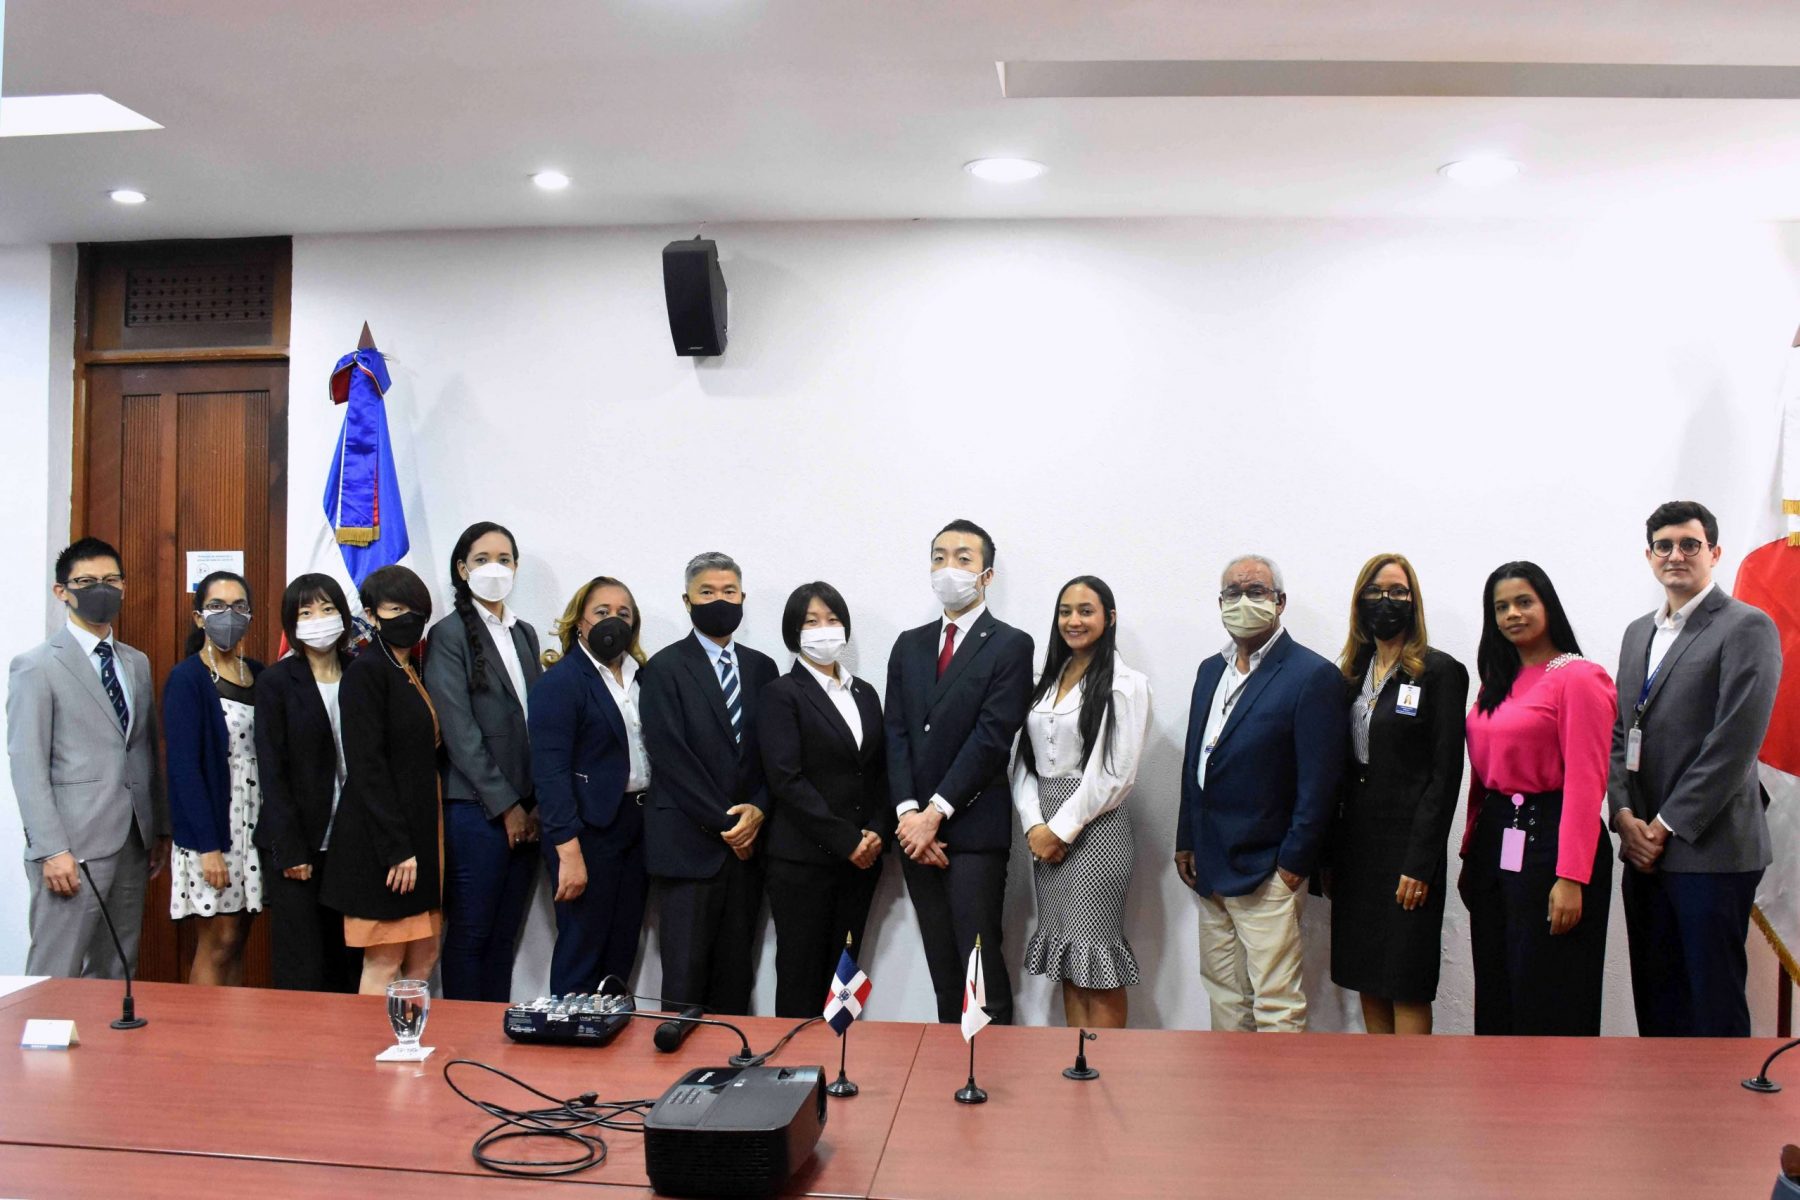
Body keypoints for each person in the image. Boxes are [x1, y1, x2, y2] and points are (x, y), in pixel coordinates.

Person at [1607, 501, 1781, 1037]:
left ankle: (1725, 1120)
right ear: (1649, 556)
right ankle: (1665, 1118)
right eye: (1664, 545)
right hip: (1643, 850)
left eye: (1690, 544)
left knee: (1713, 1006)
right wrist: (1625, 815)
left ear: (1715, 553)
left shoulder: (1747, 626)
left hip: (1711, 850)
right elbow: (1619, 735)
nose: (1676, 555)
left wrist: (1663, 826)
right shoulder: (1639, 632)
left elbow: (1733, 745)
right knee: (1658, 1003)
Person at [1175, 554, 1345, 1034]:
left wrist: (1294, 864)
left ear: (1280, 602)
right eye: (1233, 592)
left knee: (1275, 1003)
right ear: (1220, 602)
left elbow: (1320, 783)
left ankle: (1276, 1106)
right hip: (1209, 861)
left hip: (1270, 868)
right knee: (1224, 994)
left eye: (1256, 591)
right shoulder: (1211, 670)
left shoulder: (1311, 676)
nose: (1243, 601)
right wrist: (1185, 837)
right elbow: (1197, 759)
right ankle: (1232, 1102)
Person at [886, 519, 1033, 1027]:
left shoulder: (1011, 644)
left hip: (971, 831)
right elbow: (897, 732)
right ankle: (953, 1079)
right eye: (940, 556)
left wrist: (936, 813)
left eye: (964, 558)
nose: (951, 568)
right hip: (914, 837)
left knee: (979, 966)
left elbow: (992, 739)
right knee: (944, 971)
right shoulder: (909, 644)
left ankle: (994, 1080)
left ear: (986, 575)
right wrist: (910, 816)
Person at [1460, 561, 1616, 1036]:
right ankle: (1499, 1104)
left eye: (1524, 601)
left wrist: (1571, 876)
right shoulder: (1495, 681)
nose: (1513, 614)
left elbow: (1588, 783)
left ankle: (1554, 1105)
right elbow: (1483, 776)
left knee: (1549, 986)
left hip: (1554, 840)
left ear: (1547, 604)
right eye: (1501, 606)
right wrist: (1471, 852)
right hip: (1498, 840)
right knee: (1497, 983)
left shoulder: (1579, 677)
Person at [7, 537, 168, 979]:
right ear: (62, 591)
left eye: (111, 579)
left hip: (133, 842)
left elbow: (145, 749)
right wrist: (50, 848)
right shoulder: (36, 666)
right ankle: (35, 1051)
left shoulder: (136, 663)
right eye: (87, 581)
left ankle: (105, 1050)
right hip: (71, 848)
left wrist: (157, 830)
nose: (102, 588)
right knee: (55, 968)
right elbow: (27, 764)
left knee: (117, 968)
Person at [1328, 554, 1469, 1035]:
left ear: (1414, 602)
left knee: (1405, 976)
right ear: (1358, 602)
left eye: (1397, 592)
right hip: (1357, 847)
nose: (1385, 602)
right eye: (1375, 592)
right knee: (1366, 972)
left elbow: (1445, 775)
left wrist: (1421, 862)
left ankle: (1410, 1098)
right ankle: (1377, 1092)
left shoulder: (1439, 672)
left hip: (1409, 846)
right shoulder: (1350, 673)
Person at [1010, 575, 1151, 1029]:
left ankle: (1105, 1070)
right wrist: (1034, 824)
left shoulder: (1127, 684)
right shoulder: (1042, 680)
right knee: (1070, 957)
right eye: (1065, 611)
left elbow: (1116, 773)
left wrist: (1060, 829)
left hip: (1096, 831)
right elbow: (1022, 761)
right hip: (1044, 835)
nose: (1074, 620)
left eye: (1086, 611)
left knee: (1097, 958)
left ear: (1109, 618)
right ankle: (1079, 1063)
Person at [640, 552, 778, 1015]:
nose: (719, 600)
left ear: (742, 599)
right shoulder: (662, 669)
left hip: (747, 850)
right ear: (687, 600)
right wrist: (727, 824)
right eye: (707, 592)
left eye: (729, 592)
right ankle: (676, 1084)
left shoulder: (763, 669)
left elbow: (772, 755)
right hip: (689, 847)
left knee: (736, 977)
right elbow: (671, 757)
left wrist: (757, 809)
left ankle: (733, 1077)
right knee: (684, 980)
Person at [758, 582, 890, 1019]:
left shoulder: (865, 693)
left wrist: (874, 832)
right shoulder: (782, 693)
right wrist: (846, 840)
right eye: (811, 622)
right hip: (802, 862)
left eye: (832, 620)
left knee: (846, 973)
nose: (824, 630)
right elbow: (786, 779)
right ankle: (794, 1075)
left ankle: (840, 1066)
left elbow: (877, 771)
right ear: (793, 632)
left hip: (861, 861)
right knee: (801, 972)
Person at [424, 521, 542, 1002]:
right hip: (476, 809)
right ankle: (461, 1043)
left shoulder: (525, 633)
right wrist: (507, 805)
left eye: (505, 559)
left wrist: (534, 803)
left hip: (529, 810)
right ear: (461, 568)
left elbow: (533, 721)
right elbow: (459, 731)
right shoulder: (447, 634)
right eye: (482, 559)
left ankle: (495, 1039)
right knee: (472, 934)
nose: (495, 568)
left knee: (503, 936)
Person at [319, 565, 444, 994]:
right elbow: (366, 765)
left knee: (424, 955)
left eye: (415, 609)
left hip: (421, 836)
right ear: (371, 616)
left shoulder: (412, 668)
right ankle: (366, 1056)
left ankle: (406, 1048)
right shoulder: (366, 671)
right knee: (384, 960)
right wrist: (397, 849)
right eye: (395, 608)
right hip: (384, 845)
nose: (407, 617)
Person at [530, 576, 652, 997]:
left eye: (624, 613)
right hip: (586, 833)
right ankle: (567, 1044)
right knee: (582, 946)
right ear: (579, 621)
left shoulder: (645, 677)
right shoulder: (560, 683)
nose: (612, 621)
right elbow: (550, 773)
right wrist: (568, 851)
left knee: (622, 945)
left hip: (636, 826)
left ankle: (611, 1036)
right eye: (602, 612)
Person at [253, 573, 360, 992]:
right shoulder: (277, 682)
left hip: (353, 844)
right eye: (306, 612)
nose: (319, 619)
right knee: (303, 964)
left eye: (328, 609)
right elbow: (272, 770)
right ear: (291, 623)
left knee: (348, 961)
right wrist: (290, 846)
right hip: (300, 845)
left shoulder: (361, 672)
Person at [163, 570, 265, 986]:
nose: (229, 615)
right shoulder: (187, 679)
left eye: (239, 607)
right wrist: (209, 848)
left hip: (253, 823)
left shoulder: (260, 674)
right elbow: (184, 768)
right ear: (198, 617)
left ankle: (232, 1041)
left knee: (239, 937)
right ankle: (199, 1043)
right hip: (213, 829)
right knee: (219, 939)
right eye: (217, 606)